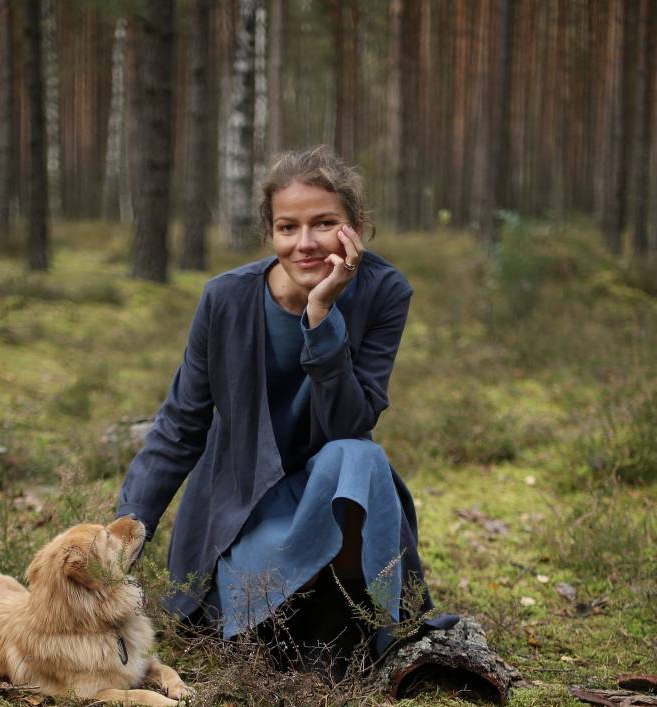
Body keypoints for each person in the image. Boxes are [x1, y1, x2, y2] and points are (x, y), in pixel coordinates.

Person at [117, 146, 457, 675]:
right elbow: (181, 425)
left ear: (356, 226)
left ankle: (353, 623)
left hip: (331, 492)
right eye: (287, 227)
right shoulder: (226, 299)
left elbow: (351, 422)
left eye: (324, 223)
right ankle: (285, 628)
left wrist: (322, 314)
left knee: (359, 456)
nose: (304, 244)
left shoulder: (383, 291)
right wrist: (125, 531)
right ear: (270, 233)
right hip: (243, 503)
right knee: (269, 570)